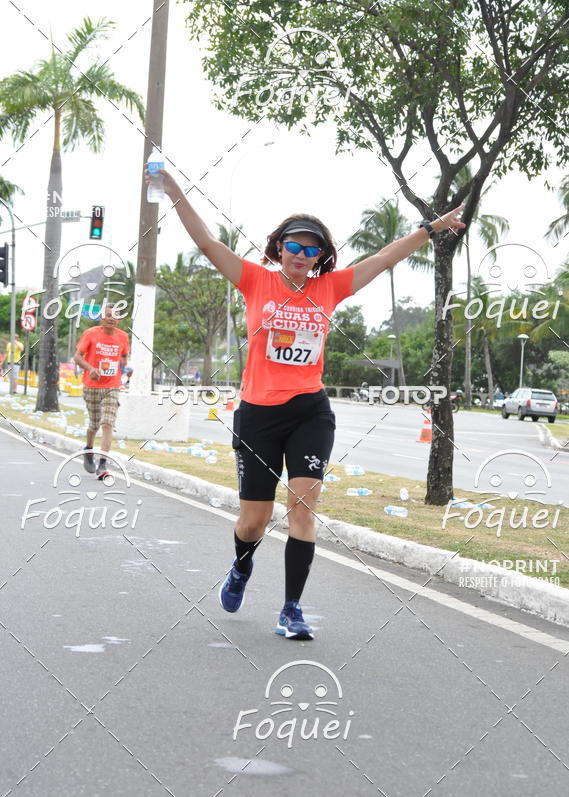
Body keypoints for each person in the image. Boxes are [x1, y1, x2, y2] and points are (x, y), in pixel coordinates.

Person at [145, 161, 465, 639]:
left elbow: (384, 258)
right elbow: (208, 243)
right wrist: (171, 189)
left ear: (320, 258)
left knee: (302, 507)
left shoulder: (329, 289)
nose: (301, 254)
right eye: (293, 245)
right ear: (279, 248)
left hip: (310, 412)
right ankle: (241, 567)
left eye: (311, 249)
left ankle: (291, 609)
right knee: (253, 521)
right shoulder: (256, 280)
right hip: (256, 415)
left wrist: (431, 227)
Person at [73, 304, 130, 480]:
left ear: (119, 319)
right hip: (92, 386)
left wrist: (125, 369)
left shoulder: (123, 337)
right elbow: (77, 357)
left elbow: (123, 357)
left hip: (112, 386)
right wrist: (90, 369)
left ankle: (103, 464)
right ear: (101, 318)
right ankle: (88, 450)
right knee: (94, 424)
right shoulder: (91, 333)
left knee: (107, 424)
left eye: (115, 315)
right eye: (108, 315)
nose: (111, 318)